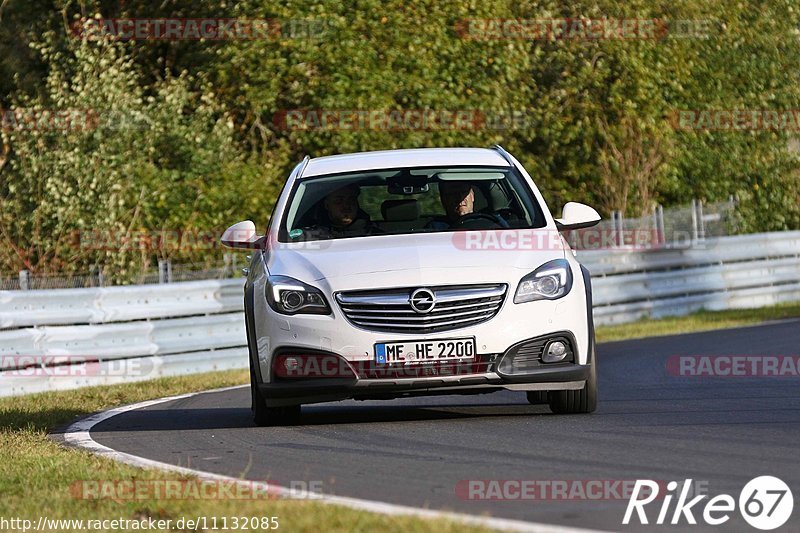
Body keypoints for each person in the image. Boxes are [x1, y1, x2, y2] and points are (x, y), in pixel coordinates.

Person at [302, 184, 381, 238]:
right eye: (338, 201)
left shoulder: (376, 235)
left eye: (351, 200)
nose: (346, 205)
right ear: (326, 205)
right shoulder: (310, 237)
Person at [427, 181, 507, 229]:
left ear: (472, 196)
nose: (460, 198)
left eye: (464, 192)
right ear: (444, 200)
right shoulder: (436, 228)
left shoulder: (493, 221)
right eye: (453, 194)